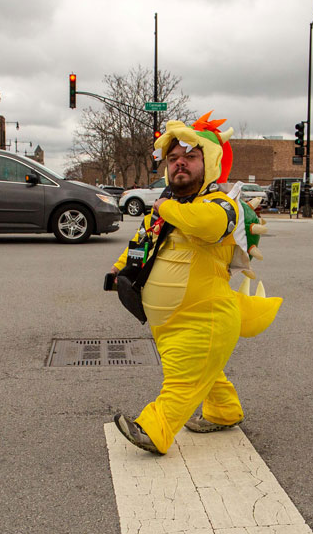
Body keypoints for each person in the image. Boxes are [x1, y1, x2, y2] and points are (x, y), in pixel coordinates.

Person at [108, 113, 282, 455]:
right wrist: (118, 272)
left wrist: (165, 208)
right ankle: (224, 411)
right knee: (205, 370)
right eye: (173, 159)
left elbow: (208, 226)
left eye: (190, 157)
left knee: (183, 380)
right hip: (169, 321)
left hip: (206, 318)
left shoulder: (221, 204)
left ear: (210, 163)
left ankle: (155, 429)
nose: (180, 165)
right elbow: (142, 244)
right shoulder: (164, 208)